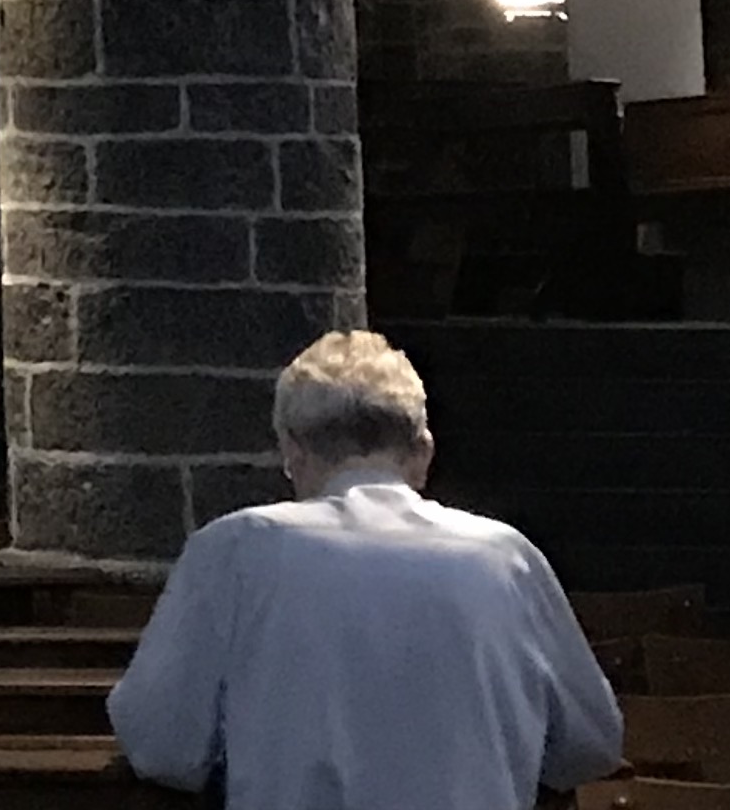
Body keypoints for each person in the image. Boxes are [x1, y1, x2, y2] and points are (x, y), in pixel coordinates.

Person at [108, 330, 622, 808]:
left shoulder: (236, 550)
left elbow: (162, 743)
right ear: (422, 452)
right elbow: (591, 744)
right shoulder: (505, 557)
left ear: (293, 451)